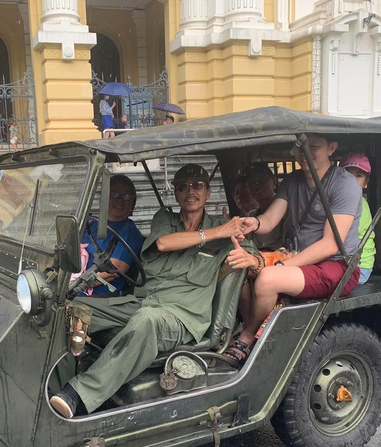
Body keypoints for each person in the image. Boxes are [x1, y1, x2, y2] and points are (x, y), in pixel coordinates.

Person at [50, 164, 253, 418]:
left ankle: (78, 394)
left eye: (198, 185)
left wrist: (253, 260)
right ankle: (51, 383)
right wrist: (217, 232)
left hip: (182, 316)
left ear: (208, 193)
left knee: (146, 321)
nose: (191, 191)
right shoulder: (166, 220)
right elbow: (164, 243)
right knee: (69, 308)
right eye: (183, 187)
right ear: (176, 194)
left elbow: (255, 259)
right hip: (142, 302)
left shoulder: (227, 231)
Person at [224, 133, 362, 364]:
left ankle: (248, 337)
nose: (305, 154)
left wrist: (281, 265)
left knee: (268, 279)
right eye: (300, 148)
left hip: (335, 266)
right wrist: (254, 224)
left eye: (314, 147)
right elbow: (269, 219)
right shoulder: (293, 181)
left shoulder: (344, 184)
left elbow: (330, 245)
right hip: (296, 258)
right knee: (238, 265)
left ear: (331, 148)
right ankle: (252, 331)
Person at [78, 175, 144, 296]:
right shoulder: (90, 224)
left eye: (126, 196)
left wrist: (75, 285)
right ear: (104, 198)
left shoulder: (129, 232)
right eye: (113, 194)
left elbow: (112, 272)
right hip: (72, 290)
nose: (120, 200)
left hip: (97, 299)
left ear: (132, 203)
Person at [341, 153, 376, 284]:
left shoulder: (360, 204)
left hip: (359, 267)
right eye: (348, 175)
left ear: (366, 182)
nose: (353, 180)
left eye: (359, 176)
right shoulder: (343, 201)